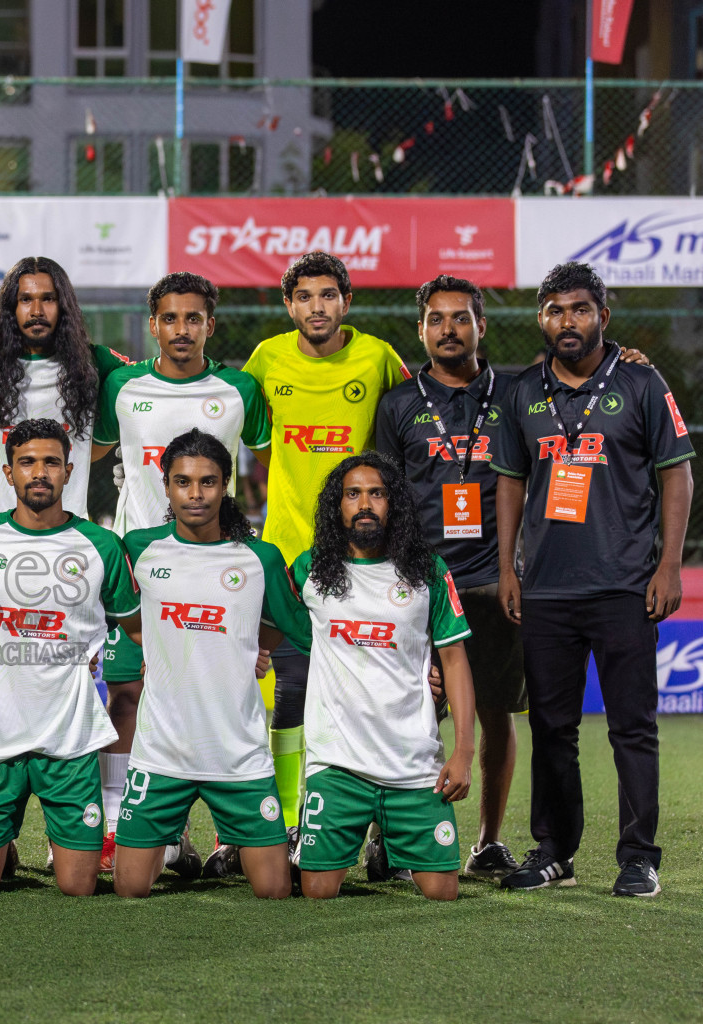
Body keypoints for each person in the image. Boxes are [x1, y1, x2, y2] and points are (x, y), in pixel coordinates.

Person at [490, 262, 694, 898]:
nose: (566, 321)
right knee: (552, 726)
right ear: (542, 319)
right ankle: (554, 850)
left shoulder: (640, 381)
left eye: (579, 309)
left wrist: (668, 565)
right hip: (546, 588)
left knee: (632, 726)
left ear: (603, 316)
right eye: (554, 310)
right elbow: (510, 482)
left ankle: (639, 856)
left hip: (625, 587)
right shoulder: (525, 389)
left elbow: (677, 474)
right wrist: (506, 567)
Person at [89, 271, 271, 868]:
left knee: (220, 689)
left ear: (210, 325)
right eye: (170, 318)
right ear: (153, 326)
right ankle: (127, 823)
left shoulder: (239, 389)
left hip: (218, 566)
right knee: (128, 691)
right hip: (139, 566)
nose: (182, 329)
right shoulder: (122, 386)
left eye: (194, 318)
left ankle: (230, 830)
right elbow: (91, 453)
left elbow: (269, 469)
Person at [242, 251, 411, 846]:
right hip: (288, 554)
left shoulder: (378, 357)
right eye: (305, 297)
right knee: (291, 693)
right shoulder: (266, 358)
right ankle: (286, 824)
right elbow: (231, 414)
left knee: (373, 697)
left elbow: (423, 415)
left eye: (328, 295)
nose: (317, 306)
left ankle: (382, 829)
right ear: (289, 306)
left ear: (346, 301)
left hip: (365, 559)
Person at [372, 275, 526, 880]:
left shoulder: (515, 396)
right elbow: (383, 498)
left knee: (495, 712)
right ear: (421, 330)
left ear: (481, 326)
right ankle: (392, 839)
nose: (448, 329)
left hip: (493, 580)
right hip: (422, 584)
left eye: (460, 318)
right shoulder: (399, 404)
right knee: (408, 712)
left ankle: (488, 841)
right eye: (436, 319)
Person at [0, 418, 142, 896]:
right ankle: (0, 842)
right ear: (8, 473)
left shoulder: (101, 546)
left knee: (79, 888)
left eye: (51, 463)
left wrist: (91, 645)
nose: (40, 472)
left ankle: (12, 840)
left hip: (70, 742)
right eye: (27, 463)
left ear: (69, 471)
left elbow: (128, 623)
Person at [114, 429, 306, 899]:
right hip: (162, 753)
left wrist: (252, 643)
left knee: (274, 891)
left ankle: (221, 845)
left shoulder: (260, 558)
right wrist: (160, 649)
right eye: (182, 482)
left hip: (238, 755)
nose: (195, 494)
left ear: (225, 487)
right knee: (128, 888)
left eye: (207, 482)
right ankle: (175, 846)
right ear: (166, 486)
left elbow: (299, 624)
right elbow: (129, 619)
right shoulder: (139, 548)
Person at [291, 453, 475, 901]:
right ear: (338, 505)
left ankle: (388, 847)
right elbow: (266, 626)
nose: (365, 504)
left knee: (442, 893)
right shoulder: (309, 569)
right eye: (353, 494)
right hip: (337, 766)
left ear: (395, 504)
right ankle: (309, 844)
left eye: (377, 493)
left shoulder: (428, 571)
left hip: (412, 765)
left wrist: (464, 752)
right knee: (317, 892)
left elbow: (454, 662)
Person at [0, 257, 130, 520]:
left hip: (68, 528)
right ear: (11, 307)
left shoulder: (96, 363)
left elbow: (154, 377)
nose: (36, 311)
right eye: (25, 299)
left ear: (64, 305)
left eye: (48, 299)